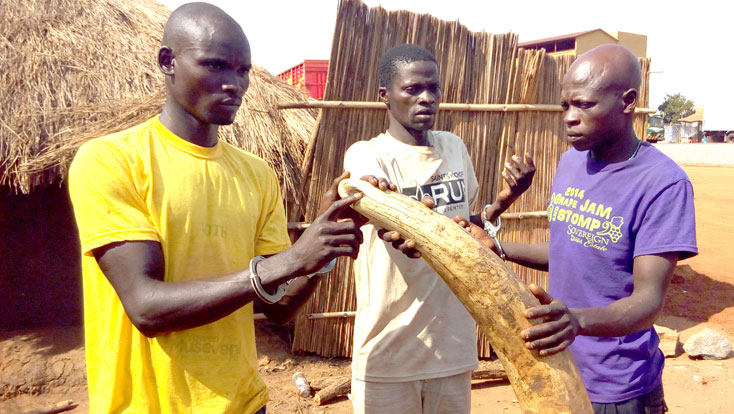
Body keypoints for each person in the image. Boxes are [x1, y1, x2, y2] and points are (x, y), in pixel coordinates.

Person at [68, 3, 366, 413]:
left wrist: (320, 252)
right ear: (166, 61)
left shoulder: (256, 174)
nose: (234, 84)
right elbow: (146, 307)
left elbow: (277, 308)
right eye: (215, 66)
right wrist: (291, 258)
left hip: (245, 404)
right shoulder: (111, 160)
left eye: (242, 71)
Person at [460, 44, 697, 414]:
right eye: (565, 106)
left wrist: (577, 321)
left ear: (628, 101)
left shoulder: (663, 183)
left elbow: (648, 302)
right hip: (561, 369)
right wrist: (498, 247)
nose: (569, 117)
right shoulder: (571, 162)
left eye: (584, 105)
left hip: (619, 388)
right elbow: (567, 249)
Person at [341, 43, 535, 414]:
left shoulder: (454, 147)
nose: (426, 98)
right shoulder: (368, 155)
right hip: (388, 350)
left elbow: (467, 224)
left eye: (434, 89)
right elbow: (380, 207)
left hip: (451, 346)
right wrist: (395, 222)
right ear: (385, 95)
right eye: (413, 89)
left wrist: (506, 199)